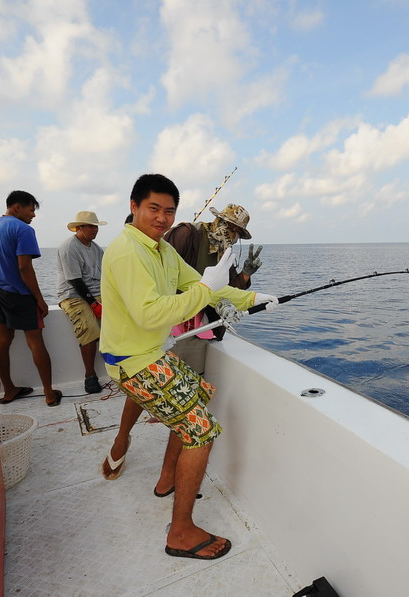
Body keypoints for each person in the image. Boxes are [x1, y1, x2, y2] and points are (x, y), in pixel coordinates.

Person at [99, 173, 279, 560]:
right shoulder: (128, 252)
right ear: (133, 207)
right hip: (133, 362)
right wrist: (205, 288)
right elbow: (151, 314)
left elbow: (207, 284)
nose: (162, 217)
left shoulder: (160, 249)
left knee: (197, 395)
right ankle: (179, 532)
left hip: (152, 353)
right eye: (153, 209)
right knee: (202, 431)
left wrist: (252, 298)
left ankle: (167, 480)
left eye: (169, 210)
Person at [0, 190, 62, 407]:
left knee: (2, 342)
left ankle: (8, 390)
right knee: (35, 342)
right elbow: (24, 267)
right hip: (20, 295)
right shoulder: (23, 229)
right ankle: (49, 393)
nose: (33, 215)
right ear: (17, 207)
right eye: (31, 210)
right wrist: (39, 299)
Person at [163, 203, 262, 374]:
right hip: (170, 321)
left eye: (237, 232)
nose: (232, 234)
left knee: (193, 377)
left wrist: (246, 274)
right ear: (218, 220)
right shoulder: (186, 234)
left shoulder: (224, 252)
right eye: (230, 227)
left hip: (199, 326)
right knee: (166, 376)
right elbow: (162, 272)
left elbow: (229, 290)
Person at [57, 210, 107, 394]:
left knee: (120, 321)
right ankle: (90, 375)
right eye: (91, 226)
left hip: (96, 293)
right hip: (73, 295)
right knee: (90, 328)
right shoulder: (69, 247)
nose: (95, 230)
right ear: (79, 228)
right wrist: (94, 304)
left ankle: (119, 367)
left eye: (96, 226)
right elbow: (75, 280)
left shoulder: (96, 249)